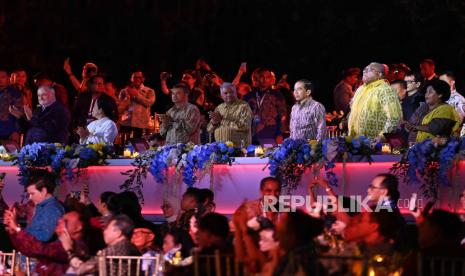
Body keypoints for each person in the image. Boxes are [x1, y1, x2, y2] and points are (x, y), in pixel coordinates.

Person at [6, 210, 91, 276]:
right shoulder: (59, 243)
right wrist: (13, 231)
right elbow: (27, 250)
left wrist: (17, 229)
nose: (59, 220)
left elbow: (40, 249)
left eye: (65, 221)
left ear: (77, 227)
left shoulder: (77, 247)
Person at [4, 169, 64, 242]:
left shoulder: (52, 209)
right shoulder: (42, 207)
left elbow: (43, 237)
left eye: (32, 194)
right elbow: (32, 231)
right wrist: (14, 226)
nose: (30, 197)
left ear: (44, 191)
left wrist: (17, 228)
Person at [69, 215, 140, 275]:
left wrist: (70, 253)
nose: (104, 232)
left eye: (107, 229)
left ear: (118, 233)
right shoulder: (132, 248)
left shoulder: (114, 249)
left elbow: (85, 268)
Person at [348, 62, 402, 139]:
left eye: (371, 70)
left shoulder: (385, 90)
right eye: (365, 69)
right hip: (355, 141)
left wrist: (381, 137)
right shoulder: (360, 89)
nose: (365, 71)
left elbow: (394, 118)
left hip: (373, 145)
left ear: (379, 75)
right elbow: (353, 111)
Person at [243, 68, 287, 145]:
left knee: (268, 156)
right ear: (257, 78)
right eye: (262, 77)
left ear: (271, 79)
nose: (265, 79)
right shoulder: (248, 96)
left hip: (270, 133)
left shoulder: (277, 95)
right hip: (251, 135)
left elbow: (283, 115)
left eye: (268, 77)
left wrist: (280, 134)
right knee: (250, 156)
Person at [118, 71, 156, 138]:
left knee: (138, 145)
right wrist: (127, 98)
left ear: (143, 79)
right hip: (126, 123)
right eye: (134, 77)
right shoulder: (124, 91)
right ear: (131, 79)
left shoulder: (149, 91)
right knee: (123, 144)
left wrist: (137, 95)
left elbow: (149, 103)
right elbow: (119, 105)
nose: (136, 79)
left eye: (139, 77)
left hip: (141, 124)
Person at [0, 69, 23, 142]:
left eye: (3, 77)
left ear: (8, 79)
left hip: (7, 131)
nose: (0, 79)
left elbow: (19, 114)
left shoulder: (15, 93)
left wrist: (16, 131)